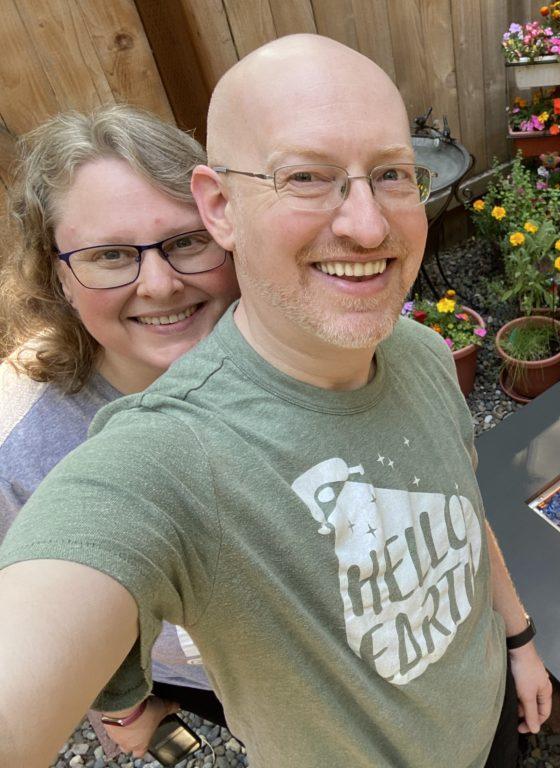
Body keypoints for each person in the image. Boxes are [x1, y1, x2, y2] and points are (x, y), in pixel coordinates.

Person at [0, 34, 551, 768]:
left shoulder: (414, 353)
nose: (365, 224)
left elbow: (459, 512)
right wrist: (128, 708)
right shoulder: (150, 459)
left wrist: (517, 637)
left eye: (392, 173)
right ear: (223, 205)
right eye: (305, 177)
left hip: (488, 724)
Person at [0, 105, 239, 757]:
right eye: (110, 255)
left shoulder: (290, 355)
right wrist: (124, 704)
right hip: (195, 674)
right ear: (57, 275)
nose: (160, 284)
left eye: (187, 241)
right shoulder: (26, 452)